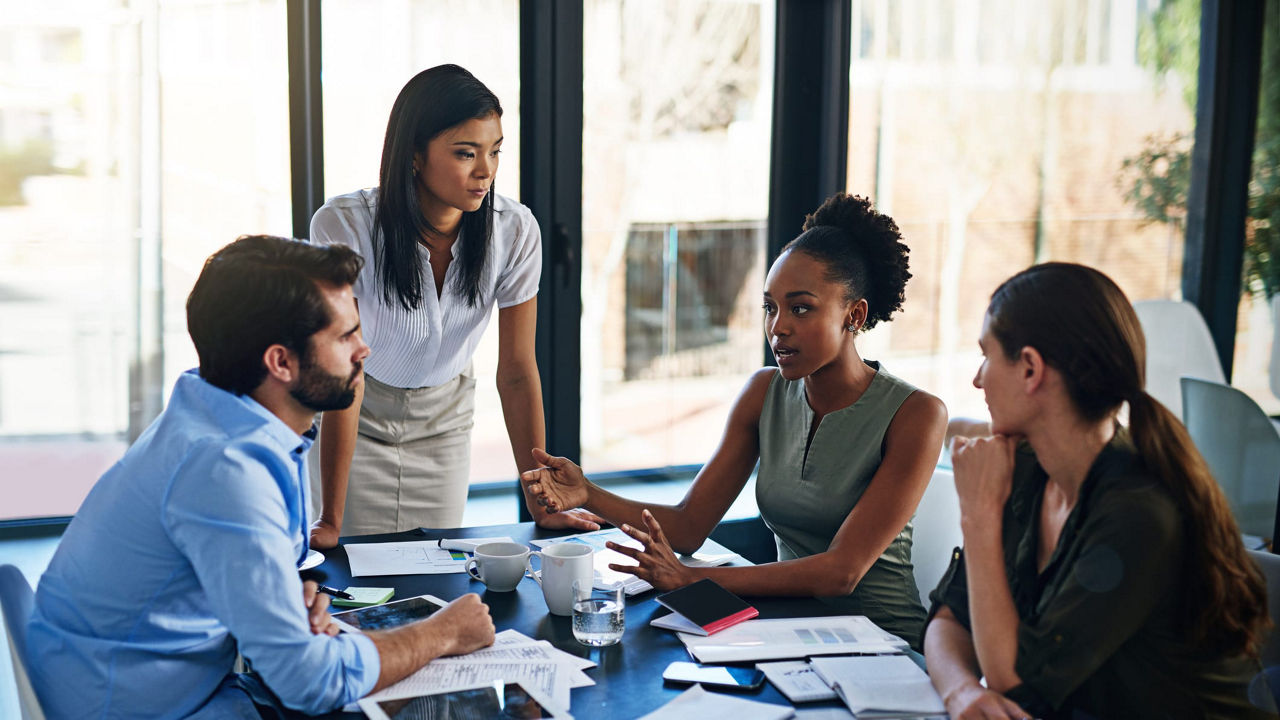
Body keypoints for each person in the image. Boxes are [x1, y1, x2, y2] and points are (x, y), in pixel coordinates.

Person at [27, 236, 495, 719]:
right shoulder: (227, 469)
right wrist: (443, 632)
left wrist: (282, 604)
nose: (364, 349)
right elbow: (310, 683)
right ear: (280, 362)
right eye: (345, 336)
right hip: (140, 705)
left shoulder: (218, 412)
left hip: (147, 678)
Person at [522, 193, 948, 648]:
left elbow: (840, 573)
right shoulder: (764, 393)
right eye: (770, 307)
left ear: (854, 315)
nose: (778, 327)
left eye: (800, 308)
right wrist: (588, 493)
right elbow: (688, 526)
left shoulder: (916, 414)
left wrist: (692, 580)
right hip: (789, 636)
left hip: (885, 648)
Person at [924, 263, 1272, 719]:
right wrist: (963, 693)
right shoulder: (1024, 467)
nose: (977, 378)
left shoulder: (1138, 512)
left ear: (1030, 368)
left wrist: (979, 516)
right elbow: (949, 619)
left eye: (986, 355)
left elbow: (1022, 683)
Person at [308, 64, 596, 546]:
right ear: (415, 156)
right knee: (356, 583)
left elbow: (518, 371)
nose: (485, 171)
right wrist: (329, 518)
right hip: (356, 414)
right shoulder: (345, 226)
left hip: (444, 422)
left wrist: (540, 501)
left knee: (433, 575)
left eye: (495, 151)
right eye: (466, 153)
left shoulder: (514, 231)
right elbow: (345, 372)